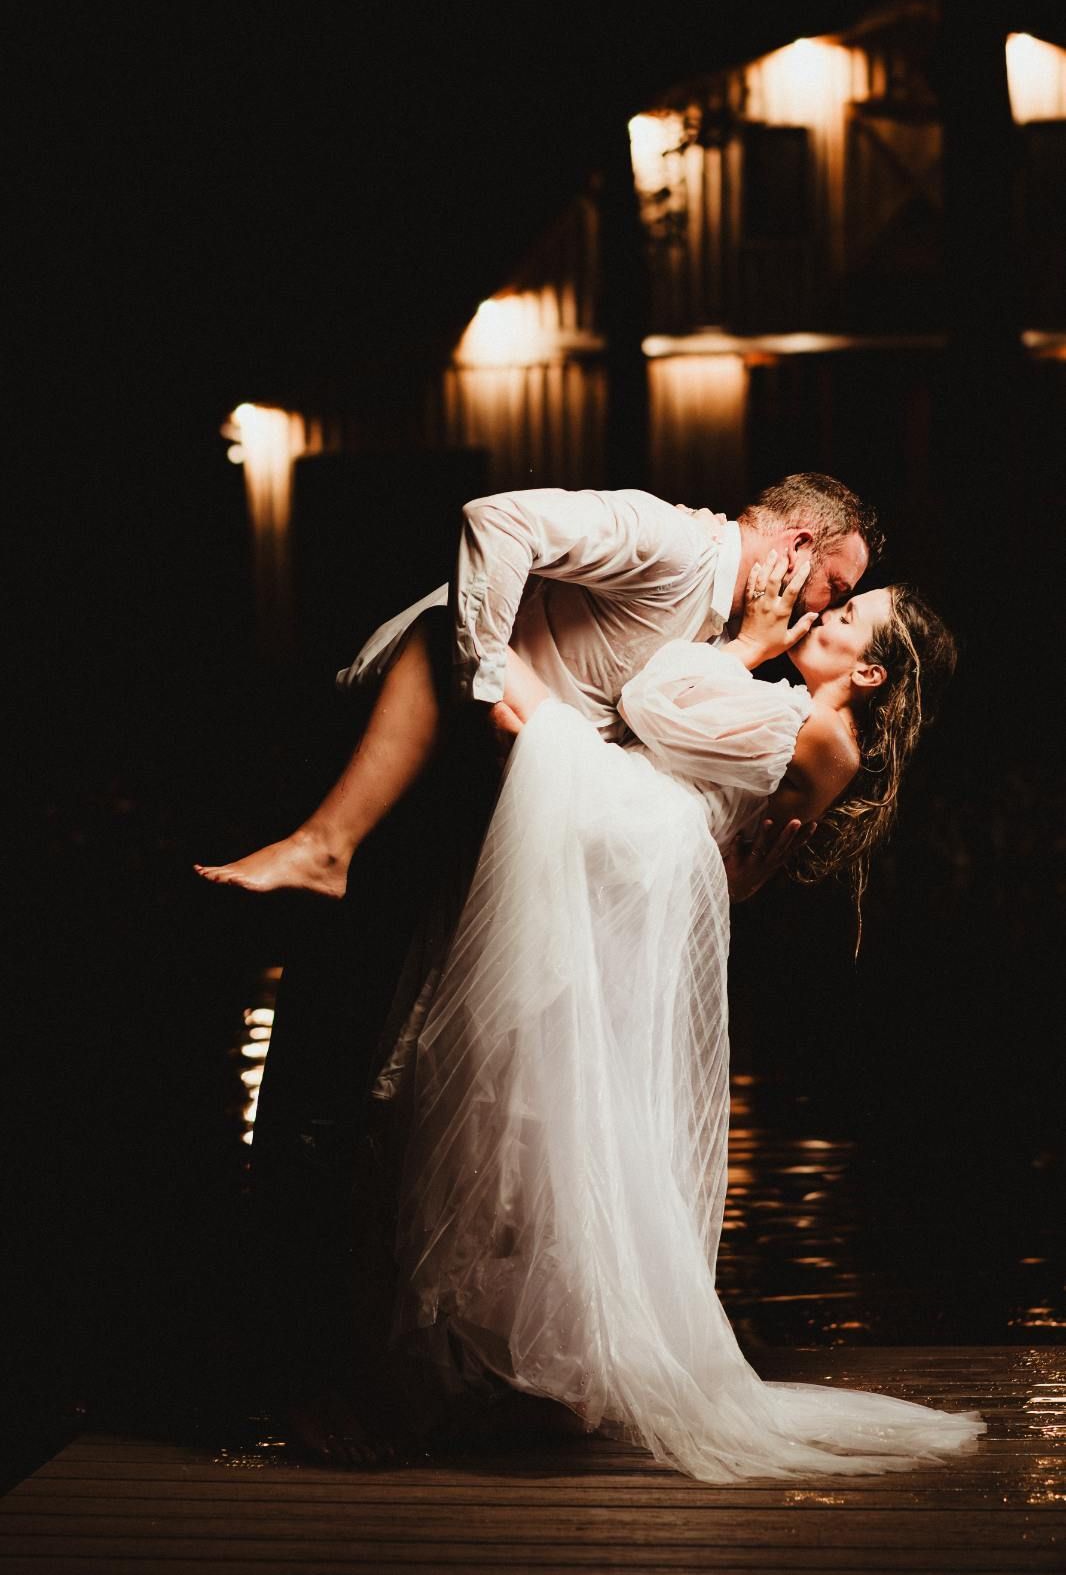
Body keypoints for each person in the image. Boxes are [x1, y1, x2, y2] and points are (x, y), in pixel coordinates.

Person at [372, 556, 982, 1481]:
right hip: (644, 862)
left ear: (869, 671)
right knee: (560, 1094)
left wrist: (746, 644)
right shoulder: (810, 725)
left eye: (850, 614)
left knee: (521, 702)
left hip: (636, 845)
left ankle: (445, 632)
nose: (826, 612)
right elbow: (734, 838)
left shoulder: (819, 730)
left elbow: (655, 696)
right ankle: (507, 1357)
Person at [196, 474, 878, 896]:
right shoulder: (670, 539)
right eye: (835, 588)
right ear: (793, 548)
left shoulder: (726, 634)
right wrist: (485, 697)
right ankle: (322, 845)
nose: (819, 609)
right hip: (416, 732)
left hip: (482, 796)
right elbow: (497, 519)